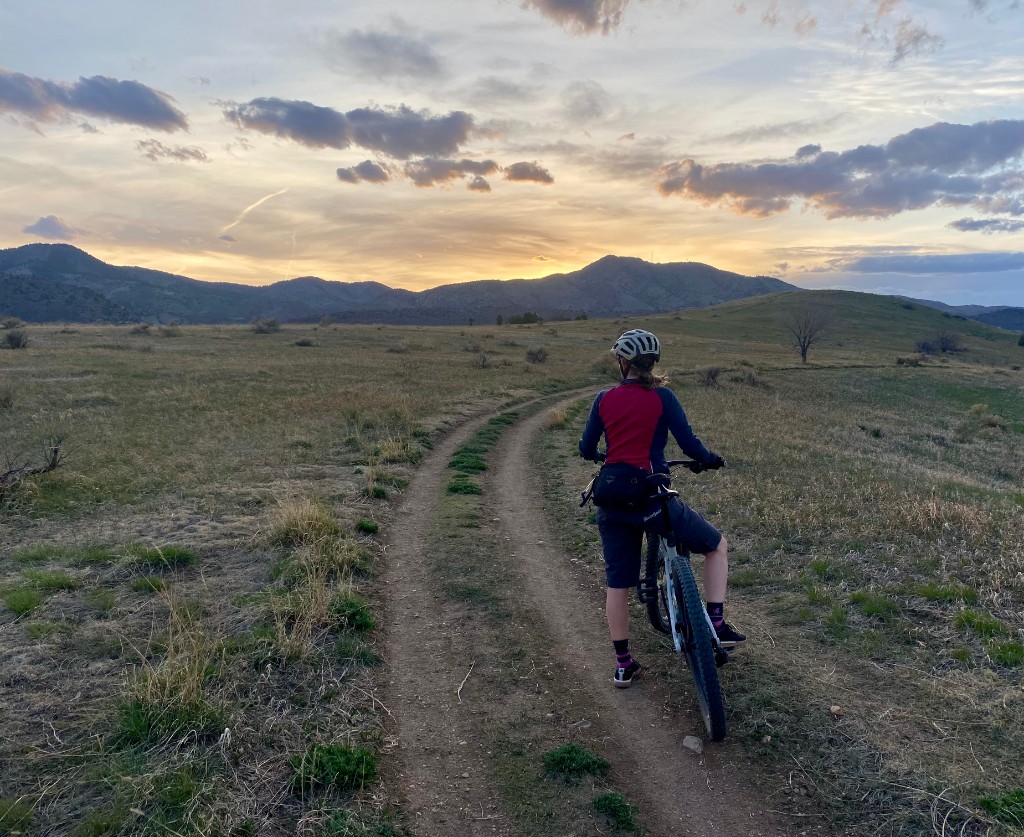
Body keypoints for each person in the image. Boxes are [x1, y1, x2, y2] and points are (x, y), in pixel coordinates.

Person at [579, 328, 745, 688]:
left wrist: (601, 456)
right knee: (716, 545)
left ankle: (623, 664)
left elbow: (586, 448)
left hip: (611, 500)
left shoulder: (603, 399)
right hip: (652, 498)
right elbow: (690, 444)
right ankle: (715, 621)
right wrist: (710, 460)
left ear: (623, 363)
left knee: (618, 585)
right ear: (652, 364)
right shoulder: (664, 398)